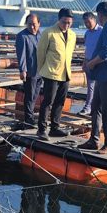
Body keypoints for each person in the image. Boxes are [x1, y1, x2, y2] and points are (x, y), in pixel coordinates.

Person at [78, 2, 107, 154]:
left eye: (97, 15)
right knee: (95, 107)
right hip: (102, 75)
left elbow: (106, 53)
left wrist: (91, 63)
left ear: (100, 14)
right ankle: (94, 139)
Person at [35, 8, 76, 140]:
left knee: (60, 102)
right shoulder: (49, 33)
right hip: (51, 73)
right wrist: (42, 70)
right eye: (64, 22)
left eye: (69, 22)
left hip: (66, 73)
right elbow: (40, 53)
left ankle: (55, 127)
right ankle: (41, 129)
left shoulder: (73, 35)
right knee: (48, 101)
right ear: (59, 20)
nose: (67, 25)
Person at [13, 14, 41, 130]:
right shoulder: (22, 36)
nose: (32, 27)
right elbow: (22, 55)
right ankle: (29, 118)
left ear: (39, 24)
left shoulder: (41, 35)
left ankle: (31, 116)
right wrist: (22, 70)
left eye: (34, 24)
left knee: (35, 95)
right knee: (29, 95)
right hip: (30, 71)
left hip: (41, 71)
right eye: (29, 24)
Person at [78, 11, 102, 117]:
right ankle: (89, 108)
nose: (87, 25)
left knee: (98, 87)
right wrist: (84, 62)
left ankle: (92, 108)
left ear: (94, 19)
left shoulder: (102, 31)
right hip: (88, 63)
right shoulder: (87, 33)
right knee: (90, 87)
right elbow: (87, 49)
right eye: (85, 23)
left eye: (88, 22)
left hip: (98, 63)